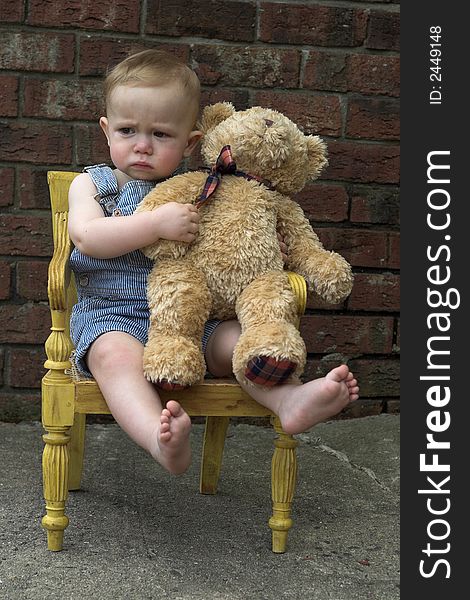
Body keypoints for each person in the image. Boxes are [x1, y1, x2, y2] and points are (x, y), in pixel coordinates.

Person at [68, 49, 359, 476]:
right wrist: (154, 224)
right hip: (112, 317)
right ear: (107, 131)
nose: (143, 145)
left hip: (195, 318)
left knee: (241, 339)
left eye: (161, 135)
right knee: (113, 358)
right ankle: (157, 437)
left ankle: (289, 400)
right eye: (128, 130)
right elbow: (87, 238)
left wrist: (261, 249)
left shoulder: (208, 190)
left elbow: (231, 241)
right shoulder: (93, 183)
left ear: (189, 142)